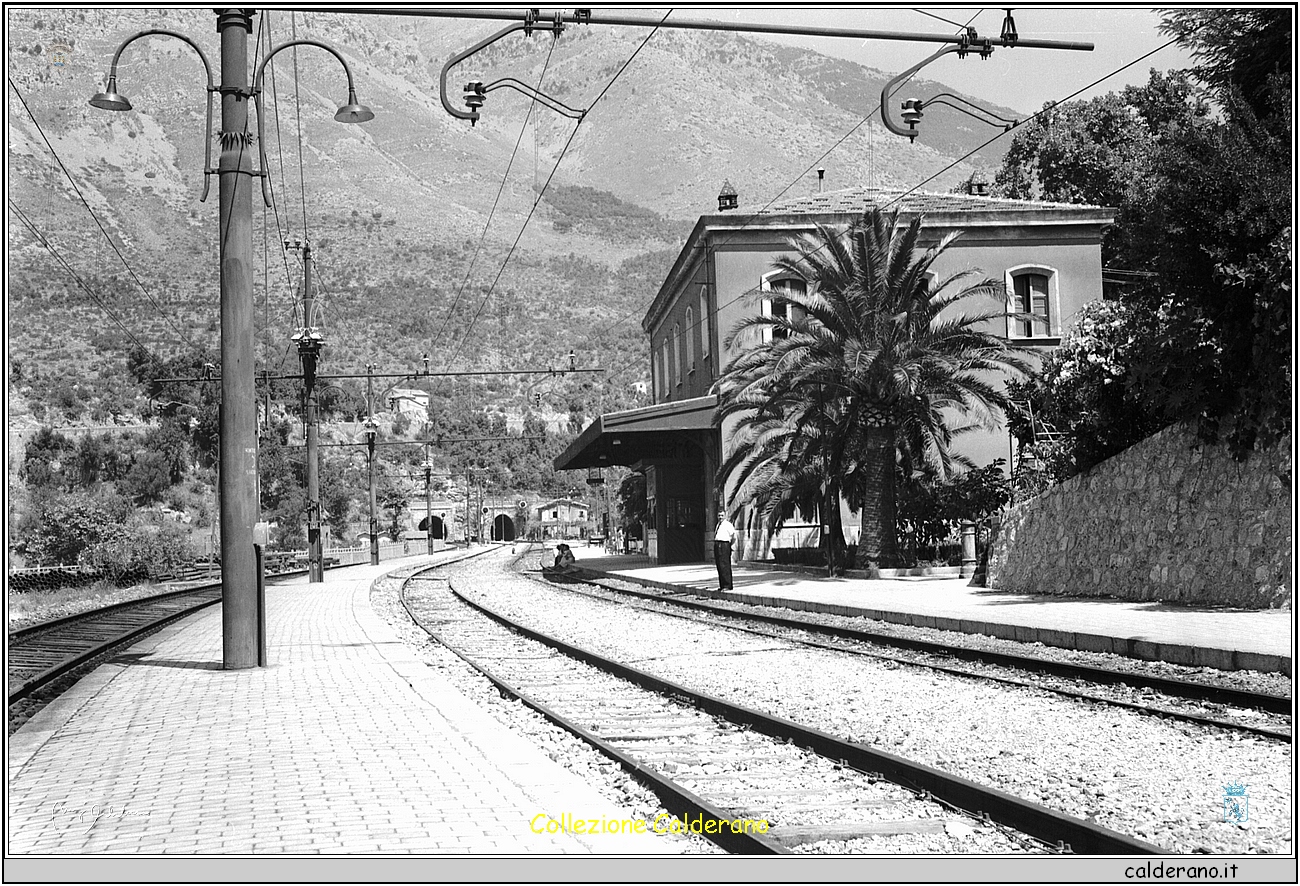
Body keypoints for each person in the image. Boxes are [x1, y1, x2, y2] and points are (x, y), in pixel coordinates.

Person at [713, 509, 736, 591]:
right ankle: (722, 585)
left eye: (722, 515)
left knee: (725, 565)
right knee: (719, 565)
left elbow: (733, 536)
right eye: (719, 515)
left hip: (724, 545)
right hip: (717, 544)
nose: (720, 517)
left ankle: (727, 585)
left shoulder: (728, 525)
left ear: (725, 516)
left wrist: (730, 546)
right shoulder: (718, 524)